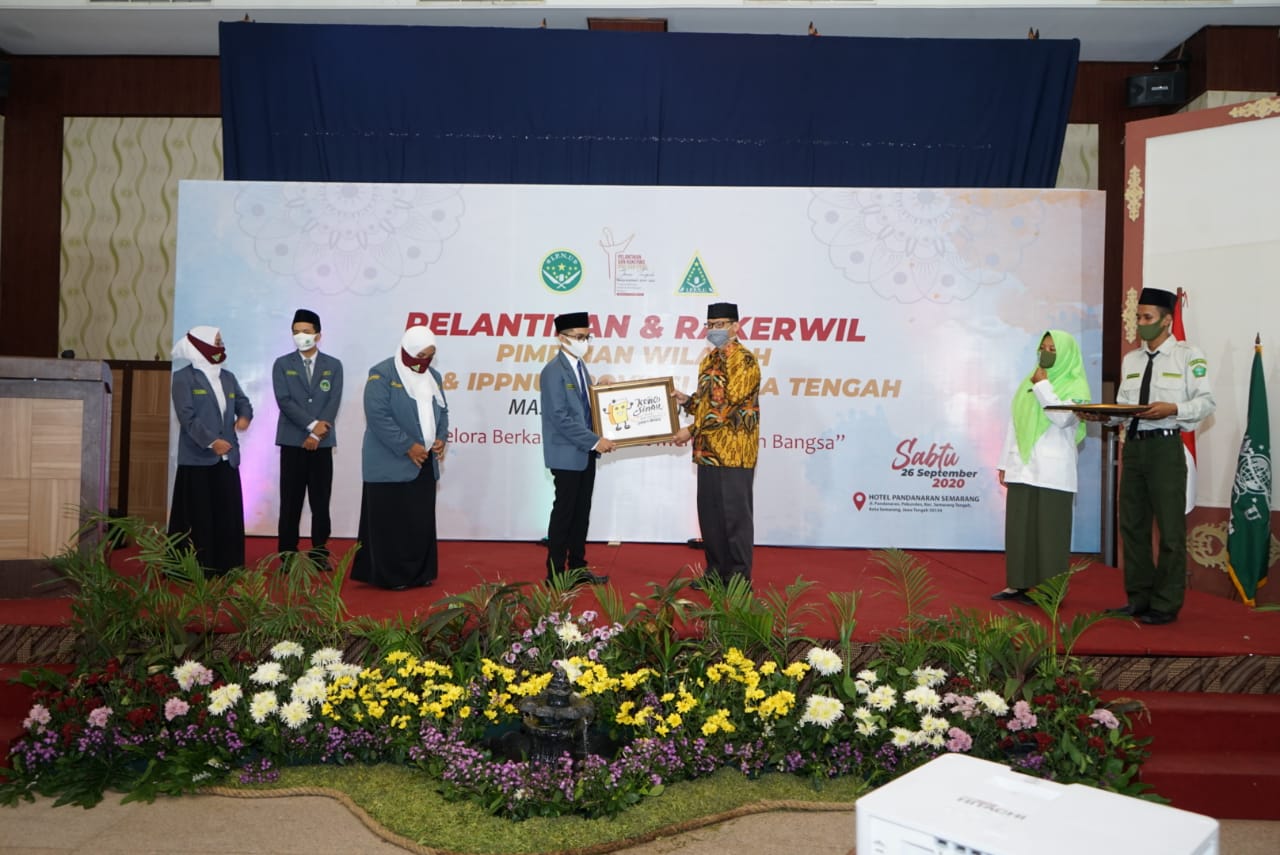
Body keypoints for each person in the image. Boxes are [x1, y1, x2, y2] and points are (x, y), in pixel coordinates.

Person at [1085, 287, 1215, 625]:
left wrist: (1174, 408)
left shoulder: (1188, 356)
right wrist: (1102, 416)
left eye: (1147, 317)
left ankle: (1166, 603)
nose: (1141, 323)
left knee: (1170, 530)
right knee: (1132, 526)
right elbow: (1125, 410)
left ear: (1167, 320)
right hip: (1134, 447)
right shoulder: (1132, 360)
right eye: (1138, 317)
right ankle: (1138, 598)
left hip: (1165, 448)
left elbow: (1206, 403)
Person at [993, 330, 1090, 605]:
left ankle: (1051, 592)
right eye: (1043, 348)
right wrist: (1005, 462)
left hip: (1053, 470)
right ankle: (1018, 584)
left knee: (1050, 532)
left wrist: (1043, 386)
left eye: (1053, 349)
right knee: (1019, 527)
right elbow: (1015, 423)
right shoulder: (1030, 380)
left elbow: (1062, 418)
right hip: (1022, 466)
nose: (1046, 353)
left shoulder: (1076, 385)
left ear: (1066, 354)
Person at [351, 324, 449, 591]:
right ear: (408, 350)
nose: (424, 361)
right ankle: (392, 576)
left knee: (420, 520)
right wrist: (407, 446)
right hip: (390, 461)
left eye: (430, 355)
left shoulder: (434, 377)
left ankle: (420, 573)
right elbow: (377, 416)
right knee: (391, 522)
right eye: (421, 355)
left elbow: (443, 411)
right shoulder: (382, 374)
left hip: (424, 462)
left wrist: (441, 437)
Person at [673, 302, 761, 586]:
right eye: (710, 325)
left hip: (734, 452)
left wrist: (691, 429)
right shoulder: (709, 359)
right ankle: (715, 573)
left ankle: (738, 580)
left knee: (735, 519)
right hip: (708, 451)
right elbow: (706, 402)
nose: (714, 330)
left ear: (736, 326)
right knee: (710, 518)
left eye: (720, 324)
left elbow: (727, 407)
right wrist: (686, 400)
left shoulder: (744, 360)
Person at [168, 325, 253, 576]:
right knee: (199, 517)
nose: (220, 346)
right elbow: (187, 417)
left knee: (227, 514)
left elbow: (243, 402)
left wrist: (244, 417)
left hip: (227, 459)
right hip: (197, 459)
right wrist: (211, 442)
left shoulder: (227, 377)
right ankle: (198, 569)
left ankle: (228, 566)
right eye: (216, 342)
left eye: (221, 341)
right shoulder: (183, 378)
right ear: (200, 345)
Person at [540, 312, 617, 585]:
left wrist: (600, 389)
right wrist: (595, 441)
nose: (584, 341)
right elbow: (560, 417)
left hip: (584, 453)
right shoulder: (553, 371)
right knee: (565, 514)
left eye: (587, 336)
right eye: (578, 337)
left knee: (581, 513)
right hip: (567, 454)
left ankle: (577, 567)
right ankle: (556, 574)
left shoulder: (580, 366)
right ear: (561, 338)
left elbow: (584, 405)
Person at [272, 308, 343, 569]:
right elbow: (284, 401)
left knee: (320, 502)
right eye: (296, 332)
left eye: (306, 331)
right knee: (290, 502)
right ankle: (287, 556)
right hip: (293, 442)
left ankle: (320, 554)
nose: (300, 336)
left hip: (322, 443)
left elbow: (333, 401)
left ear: (318, 335)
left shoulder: (333, 365)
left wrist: (317, 433)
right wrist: (311, 426)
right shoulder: (282, 364)